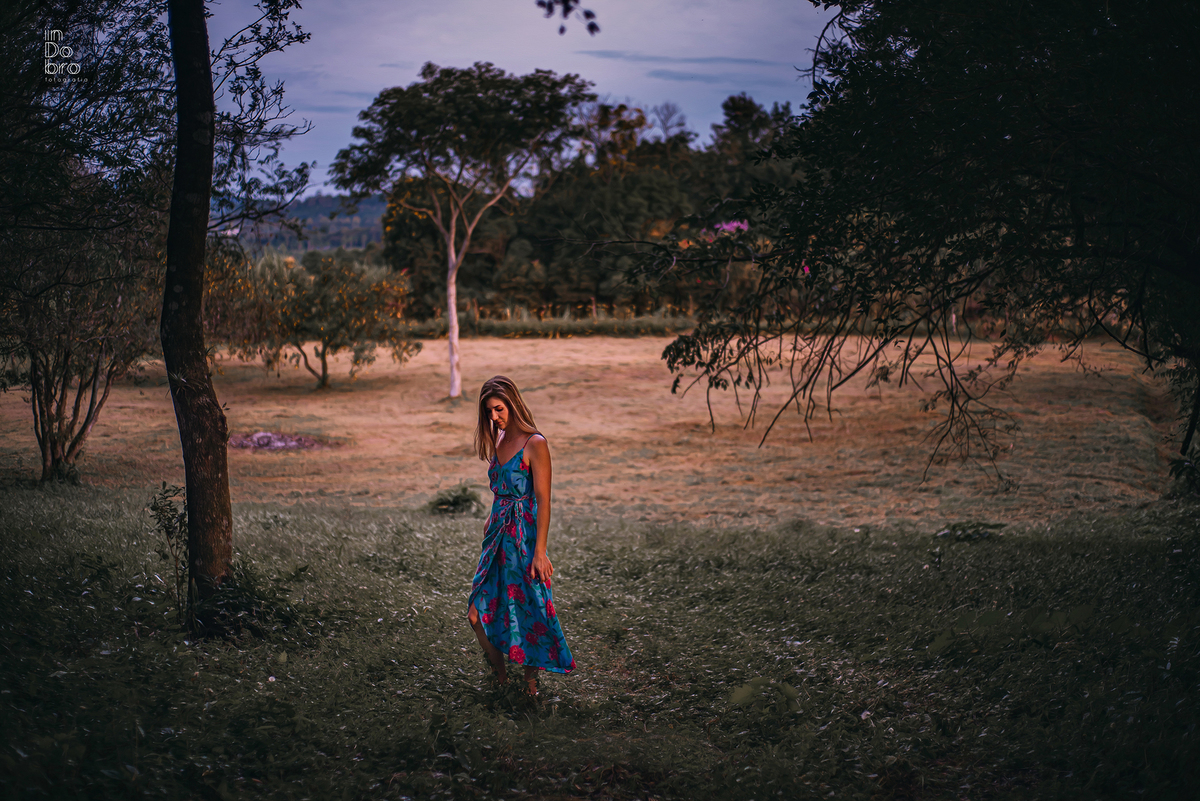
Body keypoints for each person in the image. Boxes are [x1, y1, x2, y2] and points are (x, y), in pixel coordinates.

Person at [467, 376, 575, 695]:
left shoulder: (535, 443)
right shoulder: (498, 441)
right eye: (488, 412)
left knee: (527, 607)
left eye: (498, 409)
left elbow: (543, 500)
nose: (494, 417)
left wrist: (540, 551)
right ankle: (500, 679)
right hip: (496, 539)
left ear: (513, 404)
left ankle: (530, 686)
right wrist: (490, 521)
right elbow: (501, 493)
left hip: (523, 537)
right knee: (477, 613)